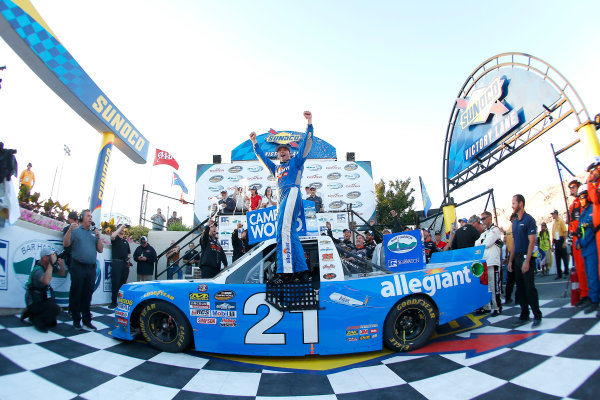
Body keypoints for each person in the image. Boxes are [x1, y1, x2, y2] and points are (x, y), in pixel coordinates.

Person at [250, 110, 314, 282]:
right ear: (277, 155)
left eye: (285, 150)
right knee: (291, 233)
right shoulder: (276, 169)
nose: (282, 152)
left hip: (292, 193)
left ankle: (285, 272)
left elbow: (306, 146)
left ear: (290, 153)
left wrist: (309, 124)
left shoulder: (296, 162)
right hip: (282, 199)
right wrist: (255, 143)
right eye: (280, 151)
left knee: (282, 230)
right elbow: (263, 158)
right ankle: (302, 271)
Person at [62, 209, 103, 331]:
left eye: (91, 216)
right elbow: (65, 244)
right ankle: (76, 320)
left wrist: (98, 237)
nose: (90, 218)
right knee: (76, 294)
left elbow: (100, 250)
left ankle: (87, 320)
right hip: (78, 266)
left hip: (90, 269)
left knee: (87, 295)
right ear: (81, 218)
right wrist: (69, 230)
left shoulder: (93, 233)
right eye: (88, 216)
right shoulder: (75, 231)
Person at [508, 194, 542, 328]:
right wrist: (510, 261)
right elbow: (514, 243)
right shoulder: (515, 222)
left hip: (526, 257)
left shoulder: (529, 220)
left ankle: (537, 315)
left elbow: (532, 241)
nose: (512, 205)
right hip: (516, 258)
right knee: (520, 288)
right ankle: (524, 314)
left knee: (529, 287)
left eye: (514, 203)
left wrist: (527, 261)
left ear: (521, 203)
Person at [20, 247, 66, 332]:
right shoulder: (38, 270)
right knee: (55, 309)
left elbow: (62, 273)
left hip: (42, 299)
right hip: (34, 301)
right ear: (44, 257)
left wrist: (61, 265)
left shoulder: (47, 267)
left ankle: (30, 314)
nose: (53, 257)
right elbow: (46, 281)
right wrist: (51, 265)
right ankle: (36, 320)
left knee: (52, 323)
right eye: (51, 256)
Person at [575, 184, 599, 314]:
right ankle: (592, 298)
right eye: (580, 197)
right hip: (585, 249)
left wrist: (581, 243)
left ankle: (595, 300)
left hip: (591, 248)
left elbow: (589, 231)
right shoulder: (584, 213)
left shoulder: (591, 210)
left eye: (583, 197)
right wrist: (577, 243)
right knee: (589, 275)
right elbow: (580, 231)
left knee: (593, 275)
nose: (581, 199)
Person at [475, 211, 503, 316]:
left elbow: (487, 243)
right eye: (481, 219)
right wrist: (483, 241)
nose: (482, 221)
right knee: (485, 286)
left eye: (484, 218)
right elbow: (476, 244)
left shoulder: (495, 229)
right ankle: (487, 307)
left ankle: (497, 307)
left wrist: (482, 242)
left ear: (490, 218)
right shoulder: (484, 232)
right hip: (484, 262)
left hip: (493, 262)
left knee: (494, 286)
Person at [567, 180, 588, 305]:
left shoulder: (583, 202)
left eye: (573, 187)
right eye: (570, 188)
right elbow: (570, 223)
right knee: (580, 268)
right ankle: (584, 294)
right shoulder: (572, 205)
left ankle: (591, 294)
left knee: (588, 267)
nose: (571, 189)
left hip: (584, 237)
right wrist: (570, 236)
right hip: (575, 239)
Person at [109, 224, 131, 308]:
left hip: (124, 264)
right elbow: (112, 236)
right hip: (117, 262)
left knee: (123, 283)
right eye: (121, 228)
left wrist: (128, 259)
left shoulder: (125, 241)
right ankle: (113, 302)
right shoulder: (115, 239)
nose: (122, 229)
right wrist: (120, 227)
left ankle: (120, 301)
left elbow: (129, 252)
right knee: (115, 282)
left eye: (123, 229)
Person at [62, 211, 78, 311]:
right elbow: (66, 243)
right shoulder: (67, 229)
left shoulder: (83, 230)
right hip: (72, 259)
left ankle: (74, 308)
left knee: (77, 285)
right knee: (75, 284)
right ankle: (72, 308)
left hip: (78, 259)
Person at [551, 210, 569, 279]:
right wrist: (552, 245)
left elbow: (565, 231)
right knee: (557, 258)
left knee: (564, 257)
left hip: (561, 240)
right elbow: (553, 234)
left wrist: (564, 242)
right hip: (556, 240)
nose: (552, 215)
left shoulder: (561, 221)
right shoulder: (554, 223)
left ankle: (566, 272)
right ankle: (559, 274)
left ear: (556, 214)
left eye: (553, 214)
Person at [504, 213, 518, 304]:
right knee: (517, 279)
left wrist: (507, 257)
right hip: (515, 255)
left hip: (510, 255)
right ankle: (517, 298)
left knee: (511, 279)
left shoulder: (509, 230)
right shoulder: (515, 228)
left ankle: (508, 297)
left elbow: (506, 245)